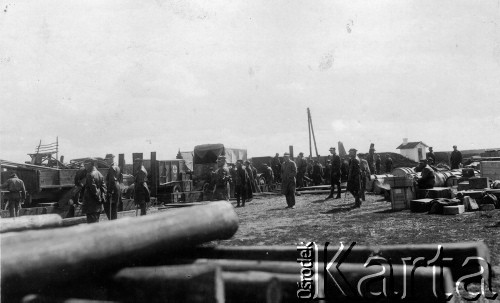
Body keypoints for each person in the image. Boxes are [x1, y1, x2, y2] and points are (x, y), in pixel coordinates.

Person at [82, 159, 107, 223]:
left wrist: (98, 198)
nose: (85, 167)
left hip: (91, 203)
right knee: (96, 220)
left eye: (85, 165)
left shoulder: (90, 175)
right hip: (97, 204)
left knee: (91, 223)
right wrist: (101, 198)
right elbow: (104, 187)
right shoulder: (99, 173)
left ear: (90, 164)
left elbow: (93, 189)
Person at [104, 155, 122, 220]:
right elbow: (119, 178)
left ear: (111, 159)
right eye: (106, 160)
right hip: (117, 187)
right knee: (114, 208)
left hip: (113, 188)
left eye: (107, 159)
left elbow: (112, 180)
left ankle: (112, 221)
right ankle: (114, 221)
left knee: (108, 206)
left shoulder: (112, 168)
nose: (106, 161)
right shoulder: (117, 167)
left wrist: (109, 191)